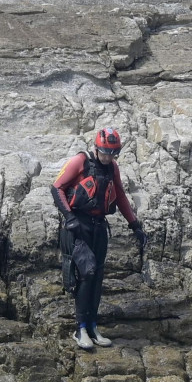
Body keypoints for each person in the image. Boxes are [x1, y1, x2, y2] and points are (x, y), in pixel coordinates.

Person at [51, 127, 148, 350]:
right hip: (78, 227)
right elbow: (56, 188)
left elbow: (121, 196)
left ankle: (93, 326)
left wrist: (135, 226)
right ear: (97, 148)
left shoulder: (112, 167)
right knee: (87, 273)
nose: (108, 157)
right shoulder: (80, 161)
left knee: (98, 277)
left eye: (113, 154)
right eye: (105, 153)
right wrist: (69, 217)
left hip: (98, 227)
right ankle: (80, 329)